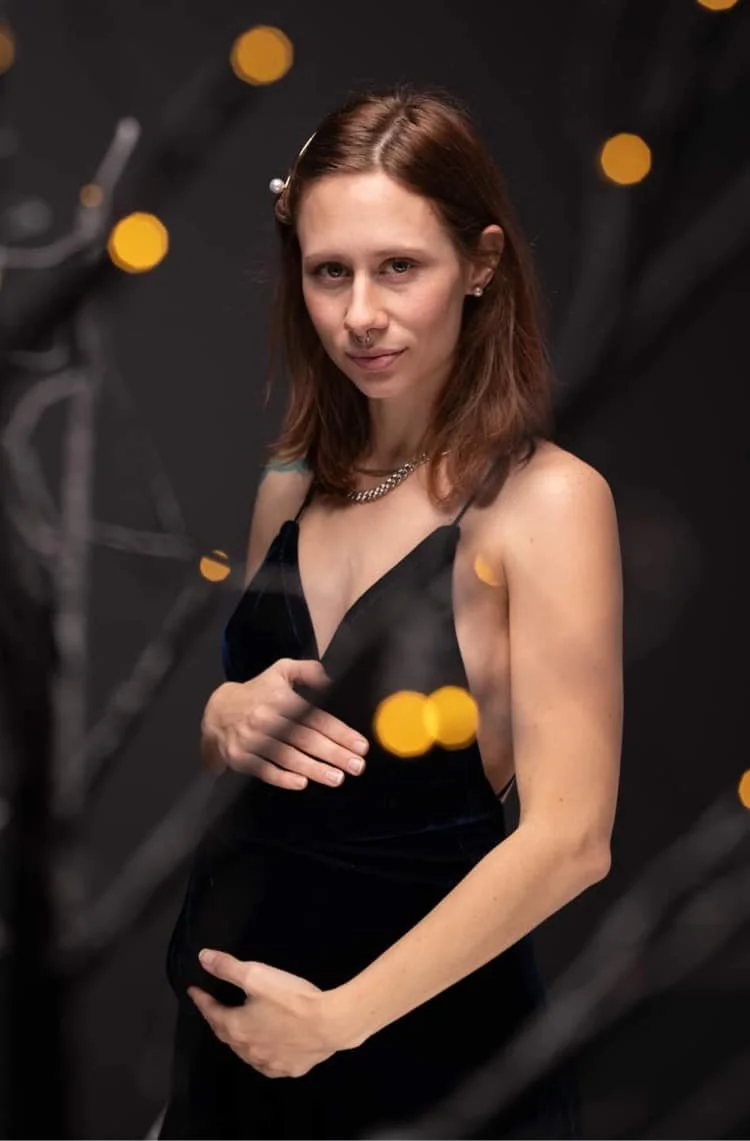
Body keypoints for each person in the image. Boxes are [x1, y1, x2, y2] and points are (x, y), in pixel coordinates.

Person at [159, 84, 623, 1140]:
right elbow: (263, 781)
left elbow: (571, 838)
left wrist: (335, 1021)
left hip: (418, 1068)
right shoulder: (293, 485)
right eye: (330, 272)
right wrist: (220, 715)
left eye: (397, 267)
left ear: (482, 264)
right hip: (227, 1066)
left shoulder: (543, 502)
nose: (359, 312)